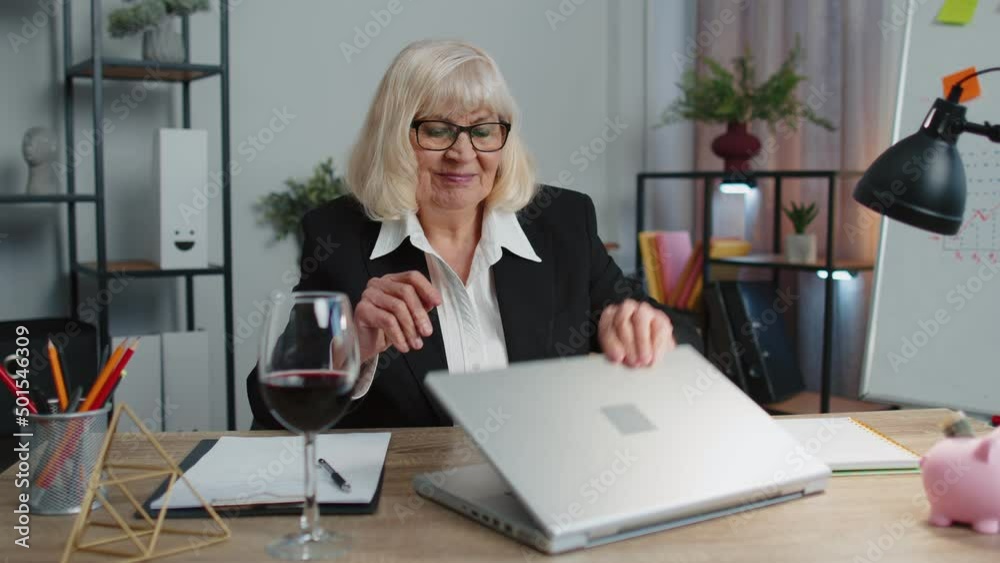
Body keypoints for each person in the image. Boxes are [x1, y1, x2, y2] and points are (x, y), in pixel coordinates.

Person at [248, 39, 700, 429]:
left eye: (483, 130)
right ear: (394, 138)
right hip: (407, 506)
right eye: (438, 130)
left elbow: (687, 339)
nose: (462, 153)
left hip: (546, 486)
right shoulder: (339, 236)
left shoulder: (563, 222)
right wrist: (352, 346)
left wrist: (651, 330)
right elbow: (269, 407)